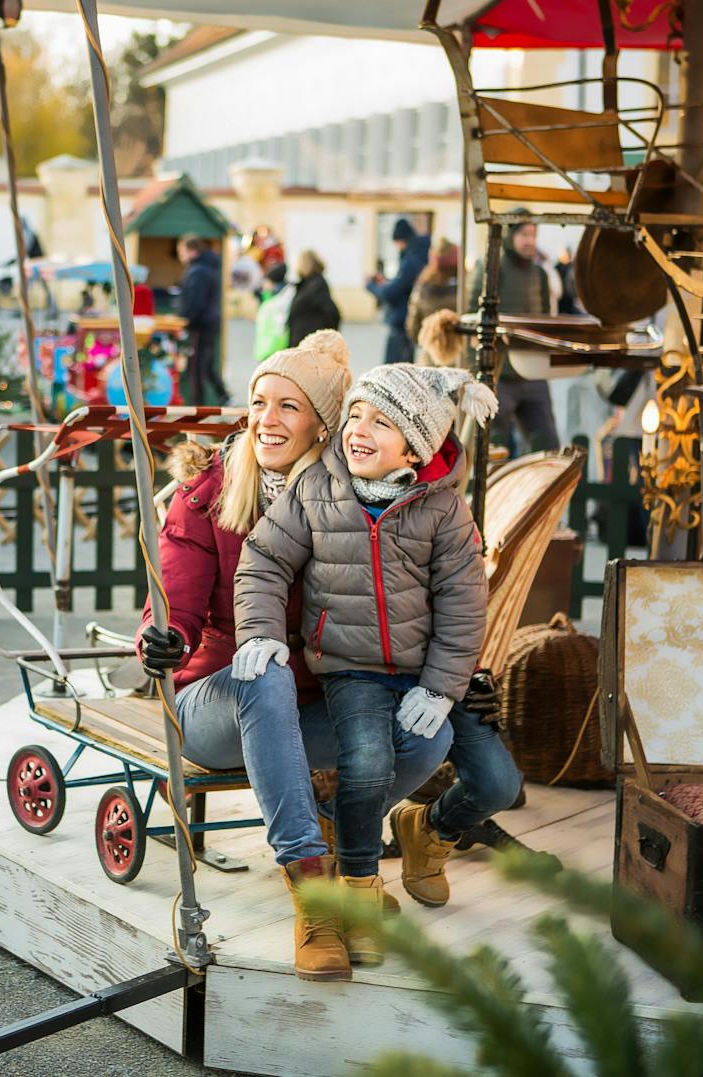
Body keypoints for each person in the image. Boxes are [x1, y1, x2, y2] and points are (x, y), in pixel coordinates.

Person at [136, 331, 455, 983]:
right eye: (259, 401)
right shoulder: (207, 496)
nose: (265, 419)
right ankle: (312, 893)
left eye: (288, 405)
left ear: (323, 425)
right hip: (210, 703)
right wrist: (161, 640)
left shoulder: (356, 504)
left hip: (309, 709)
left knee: (427, 733)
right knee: (266, 673)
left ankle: (346, 846)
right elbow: (172, 607)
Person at [233, 363, 496, 957]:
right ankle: (357, 891)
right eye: (354, 414)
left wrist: (441, 687)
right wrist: (260, 632)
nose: (358, 430)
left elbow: (463, 601)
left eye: (380, 421)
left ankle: (356, 871)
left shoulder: (444, 509)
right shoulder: (319, 486)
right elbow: (265, 559)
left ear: (415, 443)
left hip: (415, 673)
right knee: (369, 758)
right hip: (348, 665)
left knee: (428, 753)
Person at [474, 220, 560, 455]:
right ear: (512, 237)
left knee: (547, 442)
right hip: (501, 373)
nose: (529, 241)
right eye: (524, 234)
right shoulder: (493, 270)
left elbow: (543, 317)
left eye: (533, 234)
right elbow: (474, 314)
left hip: (532, 373)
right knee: (494, 446)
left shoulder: (539, 274)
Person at [366, 219, 431, 364]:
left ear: (401, 240)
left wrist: (372, 286)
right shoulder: (418, 255)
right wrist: (387, 283)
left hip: (402, 322)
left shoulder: (412, 260)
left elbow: (392, 292)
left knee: (395, 369)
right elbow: (401, 284)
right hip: (406, 321)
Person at [178, 234, 228, 405]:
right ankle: (223, 395)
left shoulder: (198, 271)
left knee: (197, 366)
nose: (180, 256)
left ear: (192, 251)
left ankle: (199, 404)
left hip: (200, 324)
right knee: (205, 365)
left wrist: (185, 320)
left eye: (182, 251)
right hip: (208, 322)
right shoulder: (205, 268)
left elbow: (195, 301)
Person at [405, 240, 461, 356]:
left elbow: (412, 325)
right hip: (459, 354)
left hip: (429, 353)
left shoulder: (423, 285)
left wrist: (425, 341)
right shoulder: (465, 285)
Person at [286, 250, 342, 348]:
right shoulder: (308, 283)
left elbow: (332, 313)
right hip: (305, 341)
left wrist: (325, 337)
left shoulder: (316, 285)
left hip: (309, 342)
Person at [253, 263, 294, 362]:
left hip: (273, 352)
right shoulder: (269, 300)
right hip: (266, 351)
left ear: (274, 284)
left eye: (266, 282)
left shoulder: (280, 303)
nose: (263, 286)